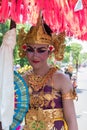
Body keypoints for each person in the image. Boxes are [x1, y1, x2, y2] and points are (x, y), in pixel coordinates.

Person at [18, 14, 78, 130]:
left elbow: (72, 121)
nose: (35, 55)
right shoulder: (22, 81)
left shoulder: (61, 79)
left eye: (41, 50)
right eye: (30, 49)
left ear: (50, 51)